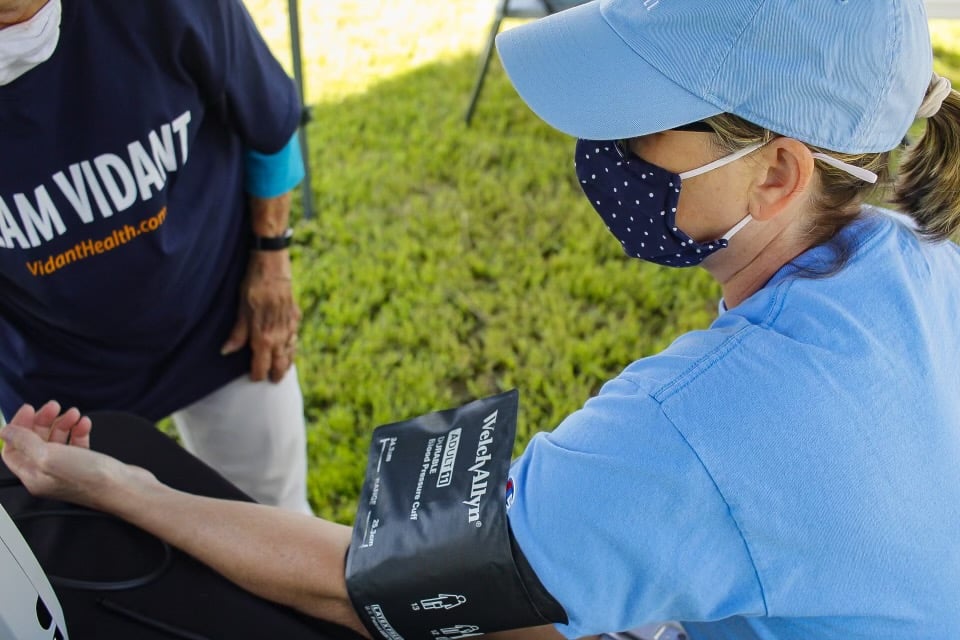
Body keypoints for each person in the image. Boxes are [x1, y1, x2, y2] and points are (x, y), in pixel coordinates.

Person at [3, 0, 960, 638]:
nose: (600, 148)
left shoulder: (693, 432)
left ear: (778, 174)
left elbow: (373, 579)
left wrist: (120, 487)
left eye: (639, 124)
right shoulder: (927, 261)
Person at [0, 0, 312, 513]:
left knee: (273, 514)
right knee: (103, 568)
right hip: (55, 380)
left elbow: (269, 122)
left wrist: (271, 264)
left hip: (219, 317)